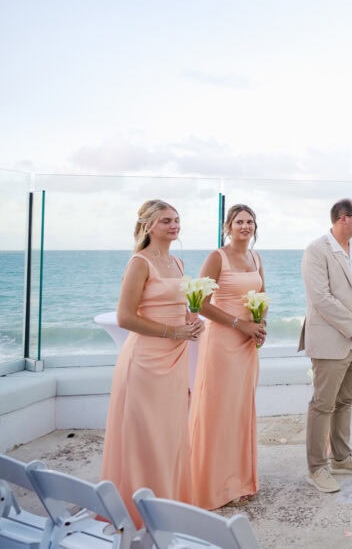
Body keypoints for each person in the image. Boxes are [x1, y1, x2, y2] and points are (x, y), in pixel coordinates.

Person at [101, 199, 204, 527]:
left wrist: (192, 321)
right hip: (145, 362)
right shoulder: (139, 263)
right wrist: (172, 331)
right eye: (165, 221)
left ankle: (169, 505)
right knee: (145, 437)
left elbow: (180, 307)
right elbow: (125, 317)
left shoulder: (178, 262)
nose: (174, 226)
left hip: (175, 359)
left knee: (170, 435)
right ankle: (139, 514)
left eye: (176, 220)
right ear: (148, 226)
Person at [188, 204, 267, 509]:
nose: (245, 226)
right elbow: (200, 304)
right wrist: (239, 324)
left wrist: (260, 325)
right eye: (239, 222)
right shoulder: (216, 257)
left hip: (247, 343)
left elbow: (262, 296)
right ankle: (213, 486)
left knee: (240, 410)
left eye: (250, 221)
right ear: (228, 227)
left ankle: (239, 482)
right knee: (219, 412)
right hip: (222, 342)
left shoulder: (256, 258)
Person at [299, 199, 352, 493]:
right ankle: (317, 467)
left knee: (346, 401)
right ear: (343, 218)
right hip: (331, 339)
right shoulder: (316, 250)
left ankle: (342, 458)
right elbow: (321, 297)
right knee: (323, 404)